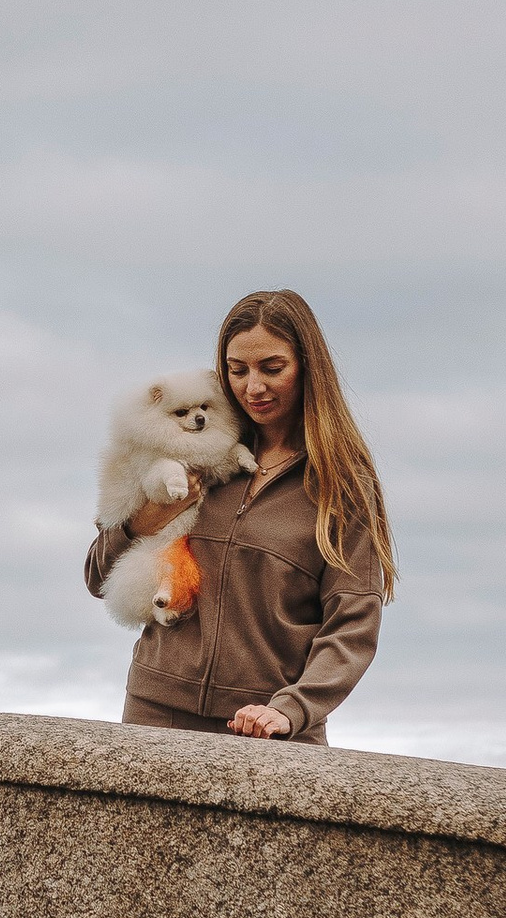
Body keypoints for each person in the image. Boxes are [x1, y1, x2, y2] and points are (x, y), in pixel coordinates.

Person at [85, 288, 393, 742]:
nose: (253, 387)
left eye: (272, 368)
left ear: (307, 367)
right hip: (159, 714)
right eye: (237, 370)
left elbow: (353, 619)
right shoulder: (185, 452)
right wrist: (143, 520)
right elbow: (97, 576)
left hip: (271, 727)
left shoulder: (342, 483)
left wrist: (293, 709)